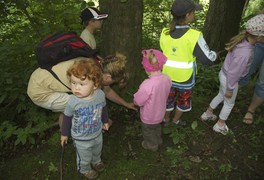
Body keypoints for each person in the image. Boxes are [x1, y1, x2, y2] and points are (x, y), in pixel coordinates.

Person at [27, 53, 137, 128]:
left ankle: (64, 133)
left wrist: (126, 104)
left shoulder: (95, 63)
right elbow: (91, 103)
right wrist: (104, 120)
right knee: (83, 105)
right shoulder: (88, 76)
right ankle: (82, 139)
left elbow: (107, 91)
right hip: (40, 92)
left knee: (70, 105)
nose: (111, 85)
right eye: (113, 82)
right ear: (107, 77)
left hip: (42, 77)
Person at [200, 14, 264, 135]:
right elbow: (234, 73)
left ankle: (207, 114)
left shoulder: (242, 41)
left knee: (220, 95)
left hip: (223, 74)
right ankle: (220, 125)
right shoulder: (245, 54)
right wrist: (230, 88)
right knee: (229, 103)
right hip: (230, 80)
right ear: (259, 37)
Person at [160, 0, 217, 126]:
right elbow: (208, 59)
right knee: (183, 100)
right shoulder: (194, 35)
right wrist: (214, 54)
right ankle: (176, 121)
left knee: (167, 99)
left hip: (167, 76)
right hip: (185, 79)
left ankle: (166, 119)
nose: (194, 14)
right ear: (187, 15)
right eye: (193, 12)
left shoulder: (164, 32)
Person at [60, 59, 107, 179]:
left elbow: (104, 108)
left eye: (81, 84)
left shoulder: (100, 95)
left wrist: (105, 121)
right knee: (84, 156)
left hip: (97, 133)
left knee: (97, 149)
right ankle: (84, 169)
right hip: (81, 137)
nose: (76, 88)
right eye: (73, 83)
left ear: (95, 84)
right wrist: (64, 134)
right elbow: (67, 117)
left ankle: (96, 161)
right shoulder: (73, 101)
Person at [133, 49, 171, 151]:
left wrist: (134, 101)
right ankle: (158, 140)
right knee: (157, 127)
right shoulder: (167, 78)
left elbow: (138, 101)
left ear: (146, 68)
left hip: (149, 115)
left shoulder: (147, 84)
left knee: (148, 131)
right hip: (160, 112)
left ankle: (151, 145)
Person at [238, 14, 264, 125]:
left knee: (263, 82)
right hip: (259, 42)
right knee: (245, 71)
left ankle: (251, 110)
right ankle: (230, 96)